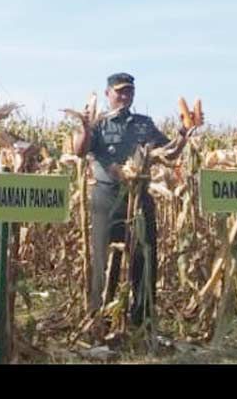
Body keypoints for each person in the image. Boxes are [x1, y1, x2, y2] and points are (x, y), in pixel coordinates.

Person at [74, 73, 194, 326]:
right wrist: (85, 127)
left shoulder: (144, 124)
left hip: (140, 196)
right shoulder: (97, 123)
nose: (125, 96)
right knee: (104, 259)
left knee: (144, 257)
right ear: (107, 94)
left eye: (129, 91)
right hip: (107, 197)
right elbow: (80, 151)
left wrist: (184, 132)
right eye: (119, 91)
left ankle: (143, 319)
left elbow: (169, 153)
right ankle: (101, 318)